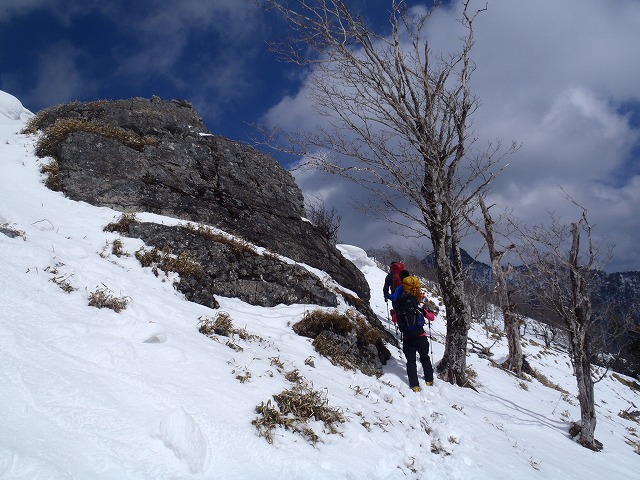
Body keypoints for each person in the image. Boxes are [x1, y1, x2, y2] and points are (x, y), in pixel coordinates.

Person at [388, 275, 435, 392]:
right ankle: (429, 381)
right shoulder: (419, 302)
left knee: (411, 362)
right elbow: (431, 317)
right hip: (421, 336)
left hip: (408, 338)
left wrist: (394, 313)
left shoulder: (400, 302)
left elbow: (395, 319)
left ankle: (415, 386)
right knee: (425, 358)